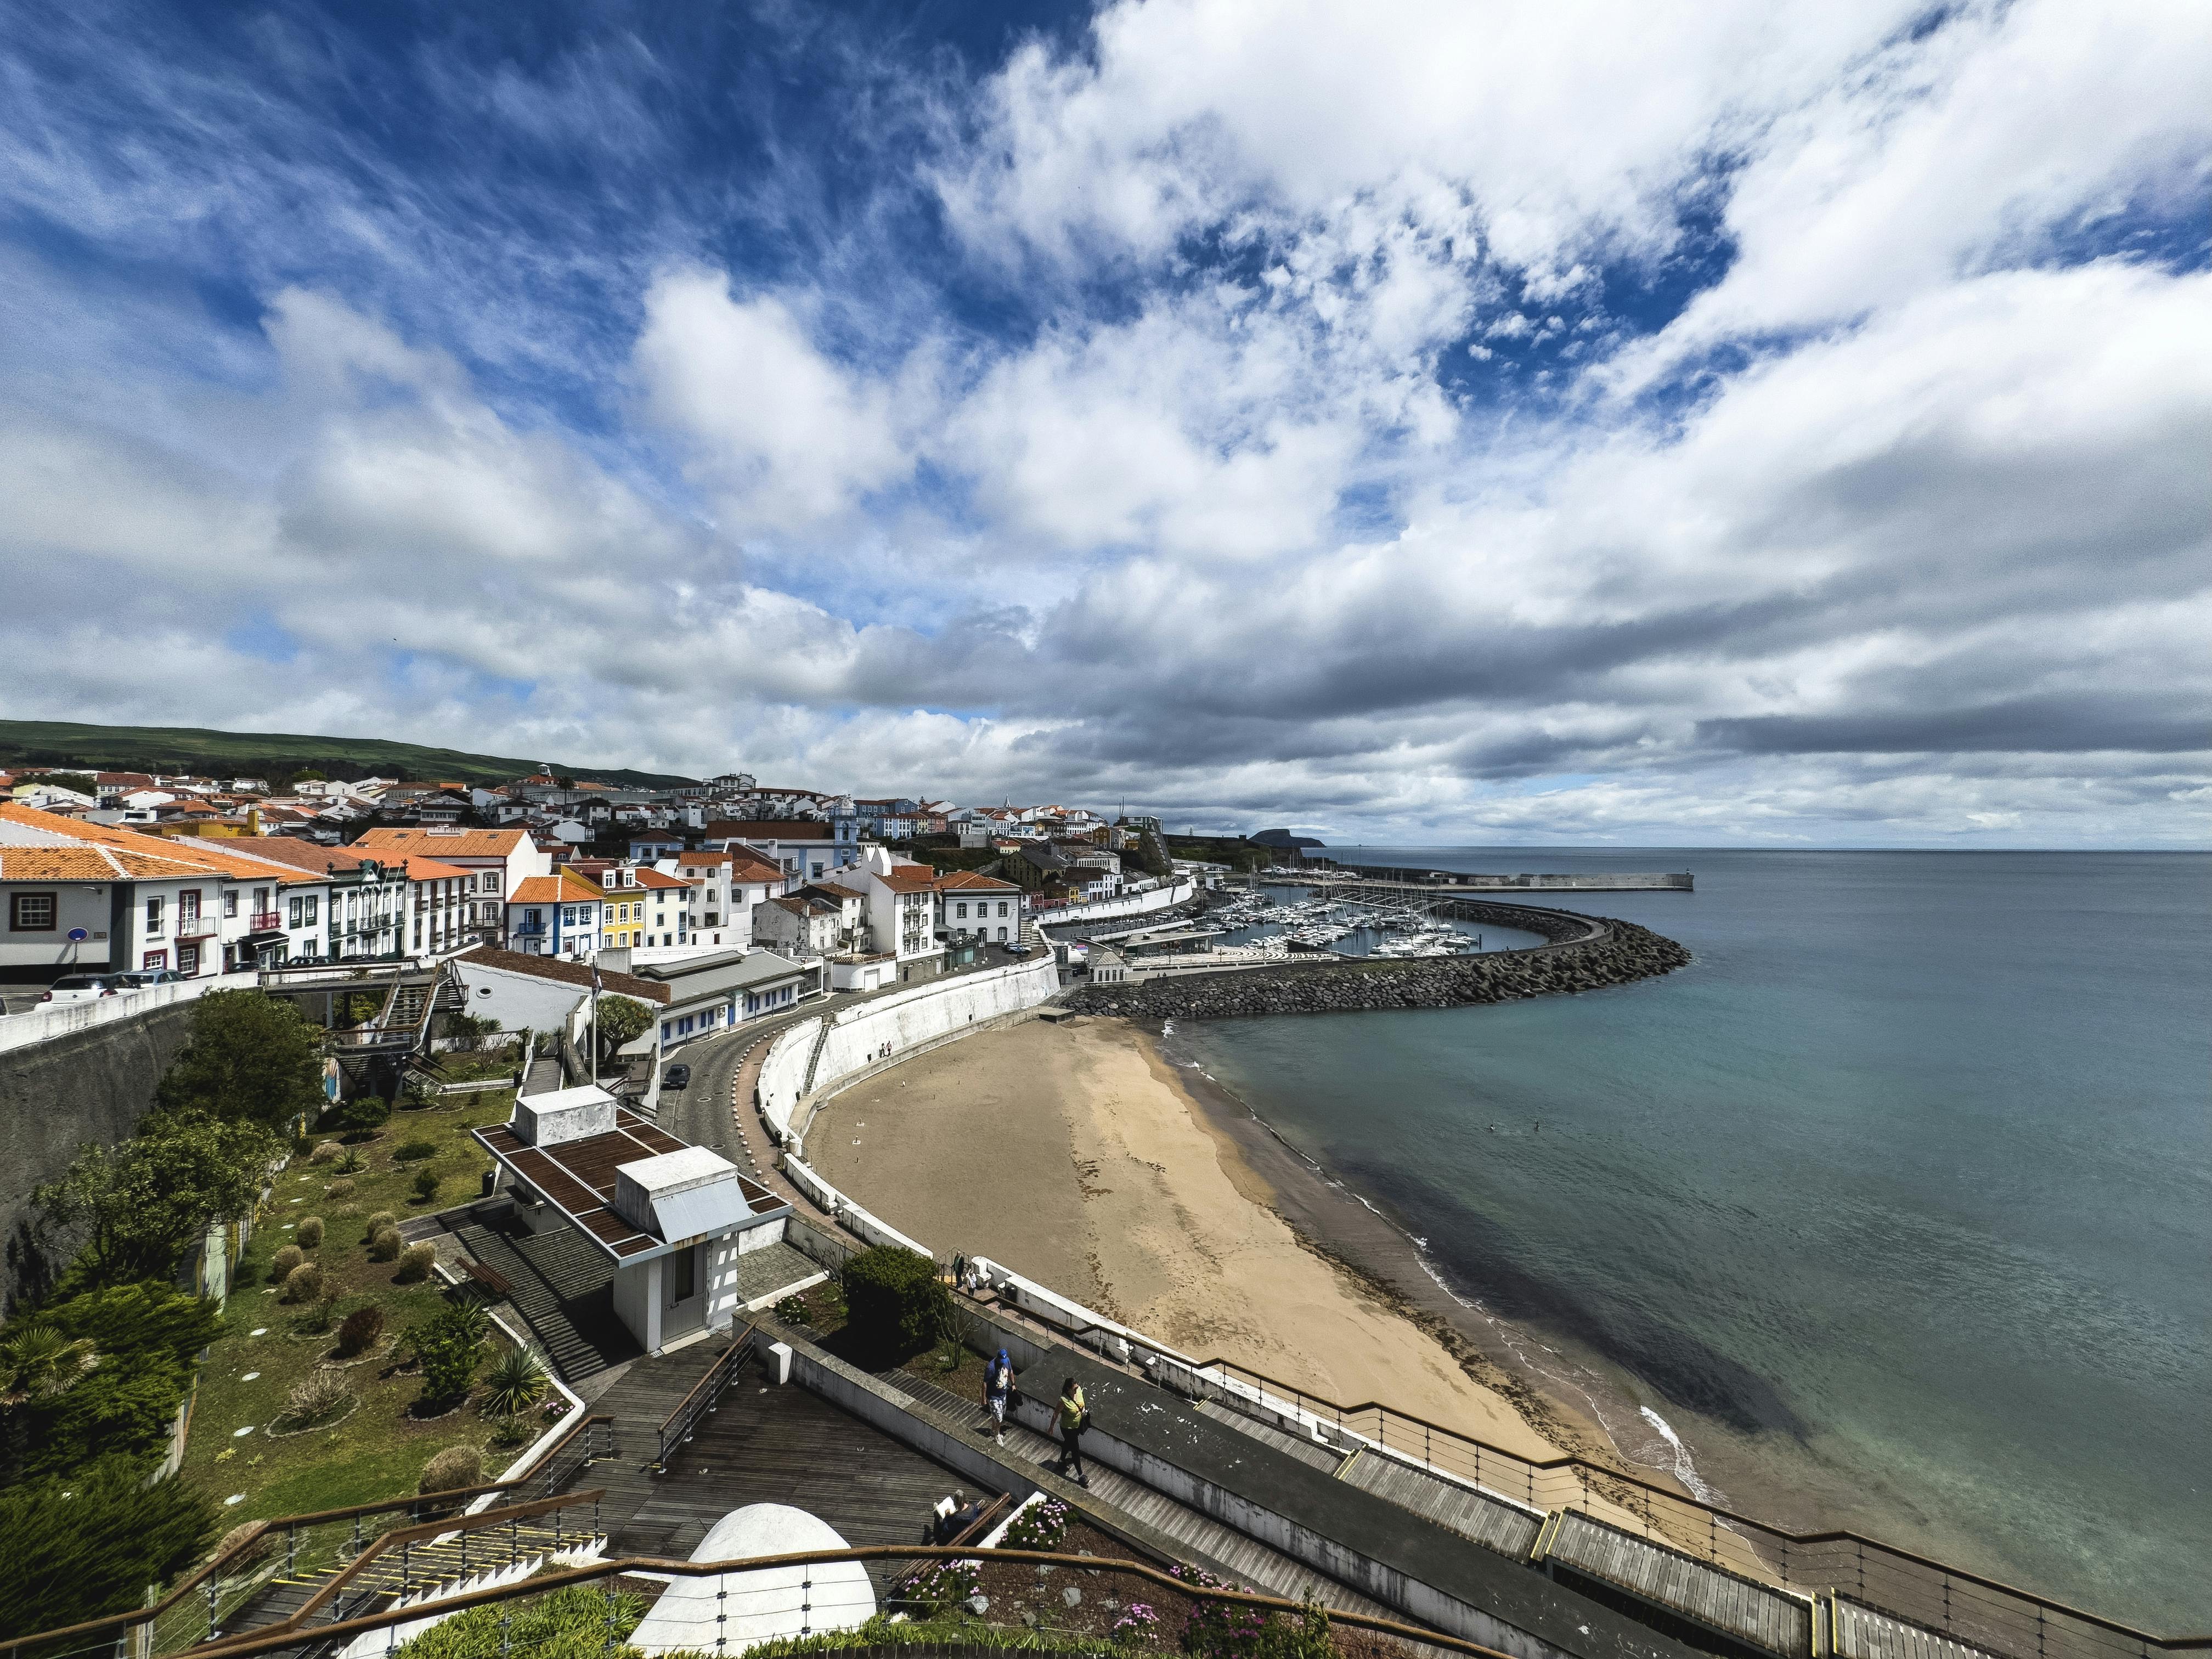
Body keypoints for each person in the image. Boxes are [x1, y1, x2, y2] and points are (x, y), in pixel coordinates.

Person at [1053, 1375, 1088, 1486]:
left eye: (1077, 1388)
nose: (1077, 1390)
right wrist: (1051, 1428)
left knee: (1068, 1443)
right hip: (1068, 1428)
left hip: (1077, 1426)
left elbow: (1082, 1403)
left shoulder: (1079, 1392)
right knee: (1075, 1450)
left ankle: (1061, 1461)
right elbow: (1056, 1414)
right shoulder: (1063, 1400)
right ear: (1068, 1389)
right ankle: (1081, 1475)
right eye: (1074, 1389)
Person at [983, 1347, 1015, 1445]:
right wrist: (983, 1399)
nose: (1002, 1363)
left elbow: (1010, 1372)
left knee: (998, 1414)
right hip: (993, 1396)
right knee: (999, 1418)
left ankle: (993, 1430)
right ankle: (997, 1435)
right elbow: (985, 1384)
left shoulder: (1007, 1361)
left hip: (1003, 1394)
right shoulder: (991, 1368)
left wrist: (1013, 1384)